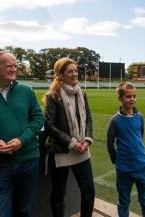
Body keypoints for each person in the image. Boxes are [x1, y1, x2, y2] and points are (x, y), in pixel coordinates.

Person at [0, 51, 44, 217]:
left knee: (25, 211)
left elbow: (38, 119)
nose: (14, 69)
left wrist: (22, 140)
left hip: (29, 161)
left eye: (16, 66)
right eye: (9, 66)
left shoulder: (26, 92)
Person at [44, 57, 95, 217]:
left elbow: (88, 118)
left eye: (76, 70)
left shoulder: (82, 93)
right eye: (70, 71)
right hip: (62, 151)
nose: (74, 74)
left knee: (89, 191)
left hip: (82, 149)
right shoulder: (53, 96)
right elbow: (49, 125)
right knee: (59, 194)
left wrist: (87, 140)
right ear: (60, 74)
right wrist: (72, 143)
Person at [107, 82, 145, 217]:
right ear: (120, 98)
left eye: (134, 96)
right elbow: (110, 144)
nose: (132, 99)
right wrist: (116, 160)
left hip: (141, 166)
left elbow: (140, 136)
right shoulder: (115, 120)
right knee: (124, 201)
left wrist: (139, 154)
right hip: (124, 169)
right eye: (128, 96)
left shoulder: (140, 117)